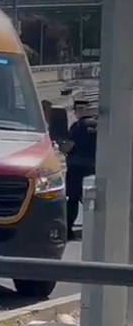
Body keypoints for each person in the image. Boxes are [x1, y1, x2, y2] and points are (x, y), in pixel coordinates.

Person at [62, 96, 98, 240]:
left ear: (78, 111)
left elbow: (69, 146)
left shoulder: (77, 127)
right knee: (95, 199)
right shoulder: (99, 124)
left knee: (73, 199)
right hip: (95, 168)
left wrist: (61, 146)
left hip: (76, 169)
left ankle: (69, 230)